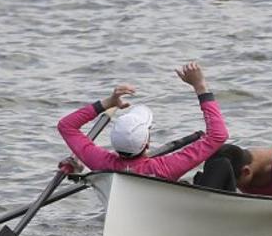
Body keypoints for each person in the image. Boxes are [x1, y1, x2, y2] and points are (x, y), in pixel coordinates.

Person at [57, 62, 229, 179]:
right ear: (147, 143)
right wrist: (200, 86)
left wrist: (108, 103)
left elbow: (67, 126)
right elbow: (218, 135)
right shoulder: (165, 168)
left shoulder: (101, 163)